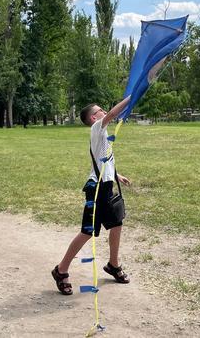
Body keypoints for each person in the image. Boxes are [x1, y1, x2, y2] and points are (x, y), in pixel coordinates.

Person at [52, 96, 132, 295]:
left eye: (103, 110)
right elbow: (114, 113)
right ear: (93, 118)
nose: (104, 111)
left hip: (105, 185)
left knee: (116, 223)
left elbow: (104, 160)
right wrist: (132, 96)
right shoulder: (97, 128)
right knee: (87, 231)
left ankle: (113, 264)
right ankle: (61, 270)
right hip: (95, 189)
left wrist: (116, 175)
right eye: (100, 110)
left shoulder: (102, 134)